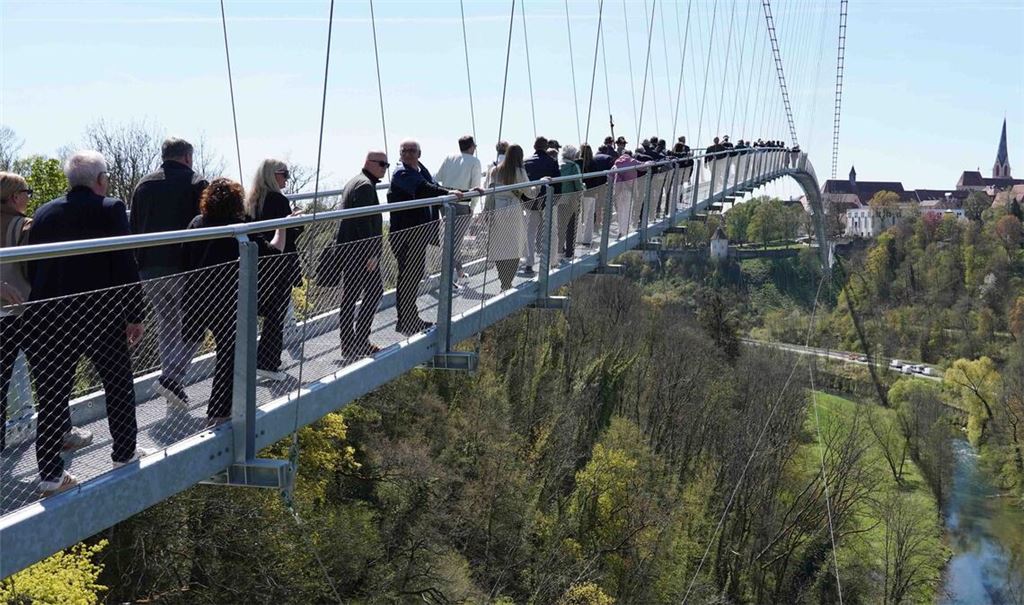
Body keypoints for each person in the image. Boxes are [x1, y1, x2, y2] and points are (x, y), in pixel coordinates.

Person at [24, 151, 148, 495]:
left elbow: (33, 268)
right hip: (100, 314)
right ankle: (124, 453)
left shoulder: (44, 212)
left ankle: (50, 475)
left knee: (52, 395)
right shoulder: (109, 209)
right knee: (118, 385)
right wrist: (135, 315)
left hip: (49, 316)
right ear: (100, 180)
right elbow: (125, 263)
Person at [181, 178, 287, 426]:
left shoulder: (196, 224)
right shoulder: (239, 227)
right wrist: (283, 225)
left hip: (196, 298)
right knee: (230, 354)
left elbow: (184, 259)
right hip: (228, 301)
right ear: (237, 202)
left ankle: (174, 387)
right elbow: (272, 253)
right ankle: (218, 413)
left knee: (190, 343)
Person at [130, 138, 208, 411]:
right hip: (184, 267)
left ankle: (171, 382)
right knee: (197, 323)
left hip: (149, 267)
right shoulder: (197, 183)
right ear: (187, 157)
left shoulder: (143, 184)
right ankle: (172, 378)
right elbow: (206, 227)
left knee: (168, 323)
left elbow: (134, 227)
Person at [388, 139, 463, 335]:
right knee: (408, 277)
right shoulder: (402, 172)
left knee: (412, 276)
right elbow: (424, 189)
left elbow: (433, 186)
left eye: (413, 150)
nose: (409, 154)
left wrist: (461, 193)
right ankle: (406, 321)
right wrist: (448, 192)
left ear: (419, 154)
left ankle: (409, 319)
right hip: (406, 235)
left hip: (417, 234)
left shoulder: (420, 170)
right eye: (405, 150)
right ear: (400, 153)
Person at [245, 159, 303, 382]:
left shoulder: (251, 200)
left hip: (257, 263)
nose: (286, 178)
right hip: (279, 264)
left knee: (260, 310)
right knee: (275, 313)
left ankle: (254, 361)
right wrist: (298, 221)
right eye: (284, 173)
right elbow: (286, 234)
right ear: (272, 175)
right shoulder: (278, 200)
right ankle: (268, 362)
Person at [335, 151, 387, 358]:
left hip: (352, 251)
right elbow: (363, 222)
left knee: (350, 297)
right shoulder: (365, 185)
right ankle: (359, 341)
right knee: (373, 292)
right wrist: (372, 254)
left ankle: (350, 344)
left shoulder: (355, 182)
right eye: (381, 164)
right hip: (361, 254)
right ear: (368, 163)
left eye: (387, 164)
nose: (384, 168)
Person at [1, 172, 36, 452]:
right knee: (52, 371)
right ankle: (60, 431)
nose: (29, 197)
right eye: (27, 192)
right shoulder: (24, 226)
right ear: (14, 197)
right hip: (21, 312)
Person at [483, 145, 539, 290]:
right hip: (513, 211)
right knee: (515, 247)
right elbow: (530, 193)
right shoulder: (519, 171)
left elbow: (489, 193)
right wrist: (539, 185)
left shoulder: (494, 170)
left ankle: (503, 280)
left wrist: (486, 211)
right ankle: (508, 282)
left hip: (497, 210)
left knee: (499, 246)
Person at [434, 136, 482, 289]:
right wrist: (472, 207)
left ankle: (459, 272)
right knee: (454, 243)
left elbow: (436, 178)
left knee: (452, 240)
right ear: (471, 147)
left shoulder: (449, 158)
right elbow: (475, 188)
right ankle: (447, 282)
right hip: (462, 205)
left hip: (446, 204)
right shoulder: (474, 162)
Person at [522, 136, 561, 276]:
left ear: (534, 147)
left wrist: (524, 200)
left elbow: (522, 183)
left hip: (530, 201)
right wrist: (555, 200)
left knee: (530, 233)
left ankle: (529, 263)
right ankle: (552, 261)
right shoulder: (552, 162)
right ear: (546, 148)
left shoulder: (525, 162)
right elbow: (558, 183)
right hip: (548, 200)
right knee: (551, 231)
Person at [557, 145, 583, 262]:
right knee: (571, 226)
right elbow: (578, 183)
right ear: (573, 156)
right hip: (571, 199)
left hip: (558, 199)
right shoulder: (573, 166)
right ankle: (569, 253)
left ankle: (559, 251)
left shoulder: (558, 165)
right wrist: (583, 188)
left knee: (560, 225)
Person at [576, 144, 601, 246]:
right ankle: (587, 239)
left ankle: (577, 238)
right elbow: (597, 179)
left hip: (578, 192)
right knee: (589, 217)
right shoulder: (594, 163)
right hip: (590, 192)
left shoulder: (577, 162)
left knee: (578, 215)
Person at [612, 150, 641, 238]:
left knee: (620, 211)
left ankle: (620, 231)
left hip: (618, 189)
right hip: (628, 190)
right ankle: (625, 231)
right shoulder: (632, 162)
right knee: (628, 210)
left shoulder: (616, 163)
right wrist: (636, 193)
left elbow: (611, 176)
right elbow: (643, 167)